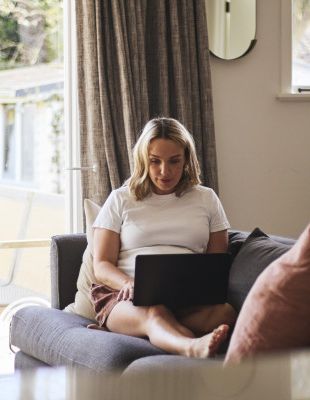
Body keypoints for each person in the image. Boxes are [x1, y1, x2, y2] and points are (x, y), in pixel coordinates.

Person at [90, 117, 237, 358]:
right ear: (142, 160)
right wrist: (128, 283)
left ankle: (160, 332)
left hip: (186, 299)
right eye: (154, 161)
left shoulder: (206, 198)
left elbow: (216, 262)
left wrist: (200, 290)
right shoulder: (120, 199)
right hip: (125, 298)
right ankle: (191, 346)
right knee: (156, 311)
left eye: (174, 161)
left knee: (226, 313)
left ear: (187, 159)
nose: (164, 171)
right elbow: (102, 265)